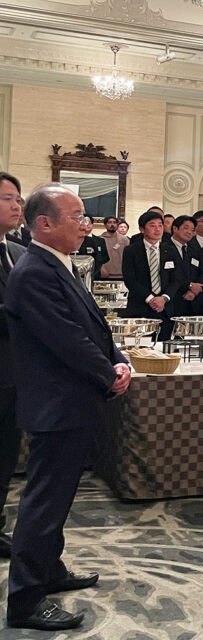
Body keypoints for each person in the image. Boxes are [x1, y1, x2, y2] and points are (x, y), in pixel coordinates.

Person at [4, 183, 130, 631]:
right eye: (77, 216)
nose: (86, 225)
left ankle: (50, 571)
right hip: (57, 405)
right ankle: (26, 599)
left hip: (71, 402)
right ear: (44, 223)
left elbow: (93, 327)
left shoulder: (56, 263)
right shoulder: (34, 272)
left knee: (56, 500)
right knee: (43, 503)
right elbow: (67, 340)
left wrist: (119, 359)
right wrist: (107, 374)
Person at [0, 172, 26, 559]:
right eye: (8, 198)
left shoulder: (20, 253)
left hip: (17, 374)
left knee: (6, 453)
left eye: (19, 199)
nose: (17, 205)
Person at [122, 210, 180, 340]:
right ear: (142, 229)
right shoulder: (131, 250)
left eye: (160, 225)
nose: (157, 229)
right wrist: (151, 299)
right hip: (140, 306)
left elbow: (176, 279)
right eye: (152, 225)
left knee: (164, 345)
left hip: (165, 308)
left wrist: (163, 298)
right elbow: (130, 279)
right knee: (139, 346)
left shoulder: (170, 250)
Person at [166, 215, 203, 317]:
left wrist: (193, 291)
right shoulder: (164, 249)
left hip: (192, 301)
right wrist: (189, 285)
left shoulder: (194, 250)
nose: (189, 232)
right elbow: (168, 275)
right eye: (186, 228)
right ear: (175, 228)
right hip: (171, 300)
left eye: (192, 230)